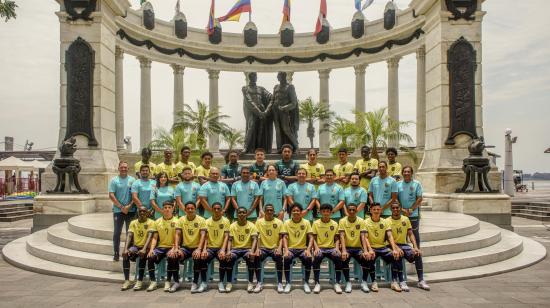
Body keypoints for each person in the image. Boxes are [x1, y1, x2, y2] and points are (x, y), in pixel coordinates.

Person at [388, 202, 430, 291]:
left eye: (397, 208)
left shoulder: (406, 219)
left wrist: (415, 247)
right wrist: (396, 247)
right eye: (394, 208)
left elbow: (411, 234)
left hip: (404, 245)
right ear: (391, 209)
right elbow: (388, 237)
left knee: (417, 254)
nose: (395, 210)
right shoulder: (387, 221)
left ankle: (421, 280)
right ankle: (401, 281)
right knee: (398, 254)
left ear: (400, 208)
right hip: (392, 245)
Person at [364, 203, 401, 292]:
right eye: (374, 209)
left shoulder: (385, 222)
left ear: (381, 210)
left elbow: (389, 236)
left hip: (383, 247)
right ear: (371, 210)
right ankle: (373, 282)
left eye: (378, 209)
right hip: (372, 247)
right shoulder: (365, 222)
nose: (376, 211)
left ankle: (394, 281)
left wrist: (394, 249)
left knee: (395, 256)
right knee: (370, 257)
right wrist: (369, 249)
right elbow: (365, 237)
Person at [338, 203, 374, 293]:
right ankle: (348, 282)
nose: (351, 211)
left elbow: (363, 237)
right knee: (343, 258)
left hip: (358, 248)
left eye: (353, 210)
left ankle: (364, 282)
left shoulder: (361, 221)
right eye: (349, 210)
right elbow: (342, 236)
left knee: (367, 258)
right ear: (347, 211)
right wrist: (343, 250)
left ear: (357, 211)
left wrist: (365, 251)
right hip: (347, 248)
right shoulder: (342, 221)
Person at [174, 202, 208, 293]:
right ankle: (176, 282)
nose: (190, 210)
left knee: (197, 257)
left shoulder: (201, 220)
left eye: (192, 208)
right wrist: (177, 248)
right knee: (173, 256)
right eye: (188, 208)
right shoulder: (181, 220)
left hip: (197, 247)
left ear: (195, 209)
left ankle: (195, 282)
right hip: (185, 248)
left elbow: (203, 236)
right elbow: (177, 234)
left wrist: (199, 249)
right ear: (185, 210)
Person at [146, 201, 179, 292]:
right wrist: (152, 249)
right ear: (162, 209)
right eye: (165, 207)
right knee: (150, 256)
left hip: (172, 247)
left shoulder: (177, 221)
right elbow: (155, 238)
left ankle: (168, 281)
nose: (167, 209)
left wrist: (174, 248)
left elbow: (179, 237)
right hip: (161, 247)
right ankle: (153, 282)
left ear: (173, 209)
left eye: (169, 207)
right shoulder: (157, 221)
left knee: (171, 256)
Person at [281, 203, 314, 293]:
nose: (296, 212)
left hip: (303, 249)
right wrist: (286, 250)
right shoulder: (287, 223)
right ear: (291, 212)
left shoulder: (306, 222)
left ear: (301, 212)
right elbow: (284, 237)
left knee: (308, 258)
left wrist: (308, 250)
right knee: (286, 258)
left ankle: (306, 282)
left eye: (298, 210)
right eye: (294, 211)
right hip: (291, 249)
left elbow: (311, 237)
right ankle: (288, 282)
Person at [121, 206, 154, 291]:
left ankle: (139, 281)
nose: (142, 213)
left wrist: (144, 249)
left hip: (146, 247)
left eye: (144, 211)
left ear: (147, 213)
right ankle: (127, 280)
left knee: (142, 255)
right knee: (126, 255)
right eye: (140, 211)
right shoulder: (133, 223)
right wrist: (125, 249)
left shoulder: (151, 222)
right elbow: (129, 235)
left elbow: (149, 237)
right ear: (138, 212)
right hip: (135, 246)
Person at [311, 203, 343, 294]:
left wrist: (336, 248)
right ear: (320, 212)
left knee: (338, 257)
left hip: (331, 248)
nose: (326, 213)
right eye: (324, 211)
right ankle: (317, 282)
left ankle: (337, 283)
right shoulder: (316, 223)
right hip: (320, 248)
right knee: (316, 258)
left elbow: (337, 238)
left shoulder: (334, 223)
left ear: (331, 213)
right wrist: (316, 248)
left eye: (328, 211)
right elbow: (313, 238)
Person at [227, 207, 259, 293]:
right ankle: (229, 282)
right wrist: (229, 250)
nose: (241, 214)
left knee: (251, 258)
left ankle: (250, 282)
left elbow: (255, 239)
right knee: (229, 257)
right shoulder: (232, 225)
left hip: (247, 249)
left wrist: (252, 251)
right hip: (235, 249)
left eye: (243, 212)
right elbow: (230, 240)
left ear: (246, 214)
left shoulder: (251, 225)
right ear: (237, 214)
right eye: (240, 213)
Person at [109, 161, 136, 261]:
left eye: (125, 167)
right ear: (118, 168)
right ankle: (116, 253)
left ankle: (128, 252)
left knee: (130, 233)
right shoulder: (114, 180)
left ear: (128, 169)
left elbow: (135, 195)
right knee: (117, 233)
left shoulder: (132, 180)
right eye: (122, 167)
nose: (124, 169)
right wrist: (121, 207)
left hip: (131, 210)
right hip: (118, 211)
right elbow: (111, 195)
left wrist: (128, 206)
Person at [202, 202, 232, 293]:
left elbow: (226, 236)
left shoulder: (226, 221)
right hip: (210, 248)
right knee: (202, 258)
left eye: (218, 209)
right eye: (214, 209)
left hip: (221, 247)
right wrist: (204, 249)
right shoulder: (207, 221)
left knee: (224, 258)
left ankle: (221, 282)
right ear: (211, 210)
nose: (216, 210)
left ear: (221, 210)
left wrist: (223, 249)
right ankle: (203, 282)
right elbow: (205, 237)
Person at [255, 204, 284, 293]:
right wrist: (257, 248)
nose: (269, 212)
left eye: (271, 210)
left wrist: (279, 248)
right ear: (264, 211)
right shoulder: (259, 222)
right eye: (267, 210)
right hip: (263, 248)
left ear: (274, 212)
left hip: (274, 248)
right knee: (257, 257)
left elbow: (281, 237)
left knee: (279, 257)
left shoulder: (279, 222)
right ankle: (259, 282)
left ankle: (279, 283)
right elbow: (256, 237)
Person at [243, 72, 274, 153]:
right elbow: (249, 101)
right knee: (251, 127)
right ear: (249, 78)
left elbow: (271, 97)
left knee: (262, 130)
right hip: (252, 112)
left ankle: (260, 149)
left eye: (255, 76)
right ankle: (246, 147)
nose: (254, 78)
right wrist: (259, 112)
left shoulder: (261, 88)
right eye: (252, 76)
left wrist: (267, 111)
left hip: (263, 112)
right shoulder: (245, 88)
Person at [268, 72, 300, 151]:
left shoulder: (290, 87)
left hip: (284, 112)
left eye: (280, 76)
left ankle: (296, 146)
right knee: (278, 130)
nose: (278, 78)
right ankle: (279, 148)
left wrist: (284, 108)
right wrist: (268, 110)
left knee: (286, 129)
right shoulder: (276, 87)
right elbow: (272, 100)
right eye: (278, 77)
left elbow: (294, 103)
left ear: (284, 77)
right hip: (275, 111)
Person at [398, 166, 423, 251]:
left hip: (413, 214)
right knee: (402, 236)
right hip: (402, 215)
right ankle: (406, 255)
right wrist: (402, 209)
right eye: (405, 172)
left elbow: (419, 198)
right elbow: (395, 199)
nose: (406, 173)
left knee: (415, 236)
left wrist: (411, 209)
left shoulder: (417, 184)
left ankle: (417, 254)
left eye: (408, 172)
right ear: (402, 173)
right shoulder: (398, 184)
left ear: (412, 173)